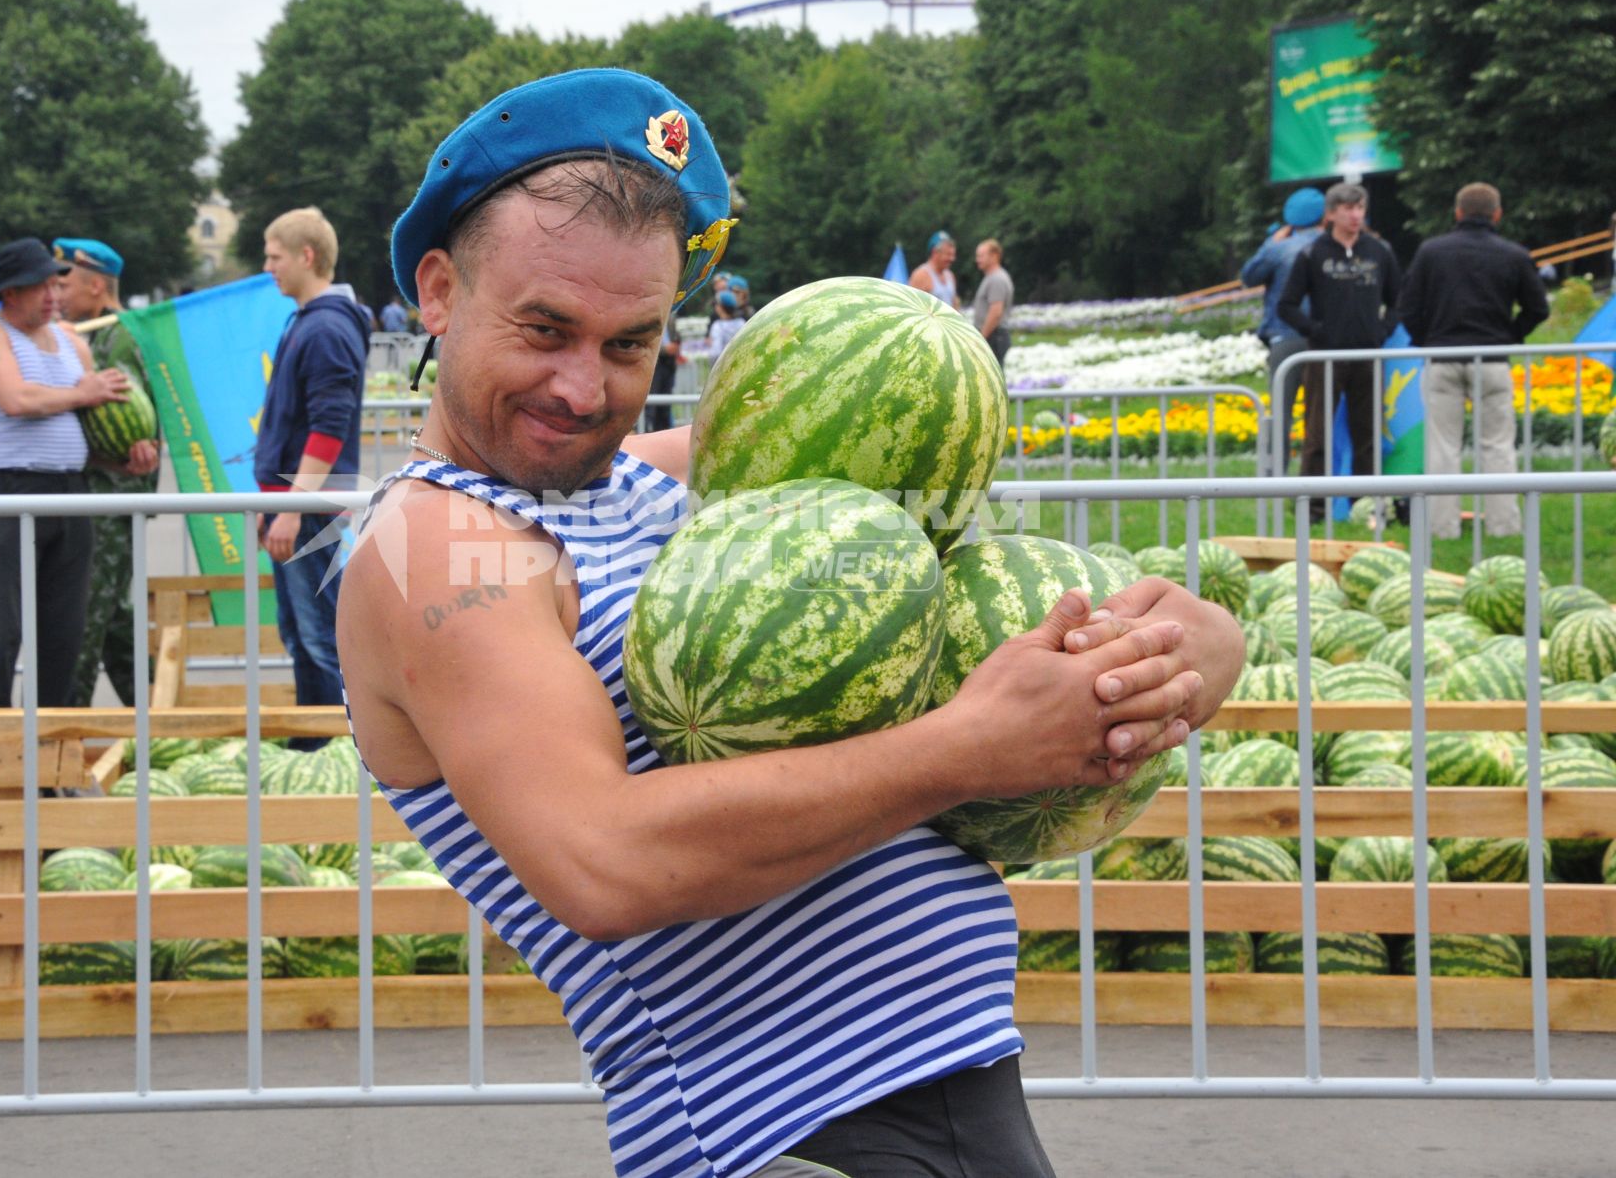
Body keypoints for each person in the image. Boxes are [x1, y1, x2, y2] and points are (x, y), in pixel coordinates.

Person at [340, 69, 1242, 1176]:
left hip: (930, 1109)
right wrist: (969, 744)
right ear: (438, 291)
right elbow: (602, 858)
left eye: (631, 344)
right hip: (779, 1136)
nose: (583, 387)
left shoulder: (666, 482)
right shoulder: (436, 541)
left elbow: (947, 549)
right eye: (544, 328)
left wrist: (1190, 642)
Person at [0, 239, 131, 709]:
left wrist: (124, 458)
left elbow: (83, 428)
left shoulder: (74, 344)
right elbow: (16, 400)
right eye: (41, 287)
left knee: (63, 635)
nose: (53, 294)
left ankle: (53, 763)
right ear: (11, 293)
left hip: (70, 492)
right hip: (8, 491)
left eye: (56, 283)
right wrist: (86, 393)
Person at [254, 208, 369, 734]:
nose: (267, 266)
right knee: (303, 634)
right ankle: (315, 747)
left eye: (275, 256)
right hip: (302, 507)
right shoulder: (312, 321)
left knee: (320, 638)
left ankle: (333, 751)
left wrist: (291, 508)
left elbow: (328, 428)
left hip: (310, 510)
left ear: (306, 256)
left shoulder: (324, 327)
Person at [1397, 182, 1550, 539]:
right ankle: (1503, 527)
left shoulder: (1431, 252)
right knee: (1497, 445)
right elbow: (1538, 308)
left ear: (1458, 213)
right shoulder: (1514, 255)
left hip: (1443, 357)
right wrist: (1510, 335)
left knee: (1442, 446)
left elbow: (1407, 307)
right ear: (1497, 214)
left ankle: (1442, 528)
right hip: (1492, 359)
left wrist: (1426, 340)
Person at [53, 238, 160, 707]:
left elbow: (128, 430)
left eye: (65, 282)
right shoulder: (89, 333)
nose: (56, 293)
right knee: (115, 621)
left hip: (110, 498)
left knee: (83, 622)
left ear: (96, 285)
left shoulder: (117, 338)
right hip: (100, 496)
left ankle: (61, 745)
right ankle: (159, 720)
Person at [1278, 182, 1402, 518]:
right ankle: (1312, 508)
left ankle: (1364, 507)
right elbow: (1286, 305)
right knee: (1317, 434)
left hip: (1367, 356)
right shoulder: (1312, 253)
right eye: (1348, 209)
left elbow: (1399, 300)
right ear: (1331, 214)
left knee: (1368, 434)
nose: (1355, 215)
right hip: (1324, 356)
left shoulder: (1379, 252)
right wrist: (1315, 332)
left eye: (1360, 208)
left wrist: (1382, 331)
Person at [1240, 187, 1328, 459]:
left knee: (1280, 413)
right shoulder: (1333, 246)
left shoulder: (1278, 249)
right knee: (1323, 413)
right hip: (1325, 340)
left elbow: (1249, 277)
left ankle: (1274, 479)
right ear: (1324, 215)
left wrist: (1270, 244)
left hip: (1284, 338)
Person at [972, 237, 1015, 366]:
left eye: (981, 256)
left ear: (994, 255)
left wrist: (981, 338)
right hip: (993, 336)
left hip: (993, 337)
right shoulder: (992, 277)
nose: (977, 260)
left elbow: (996, 312)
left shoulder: (997, 279)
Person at [908, 230, 960, 307]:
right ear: (935, 252)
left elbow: (954, 303)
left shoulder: (950, 276)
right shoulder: (920, 275)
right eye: (948, 254)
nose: (952, 259)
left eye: (953, 255)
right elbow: (911, 306)